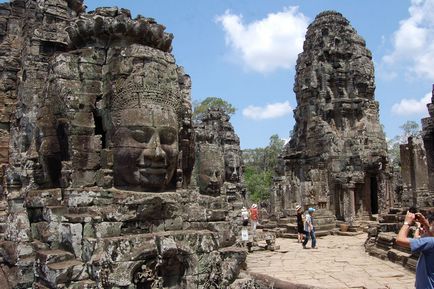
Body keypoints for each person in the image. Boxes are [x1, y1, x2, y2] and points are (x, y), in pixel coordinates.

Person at [396, 211, 434, 289]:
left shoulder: (430, 242)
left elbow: (400, 240)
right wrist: (425, 223)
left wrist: (407, 223)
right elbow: (432, 235)